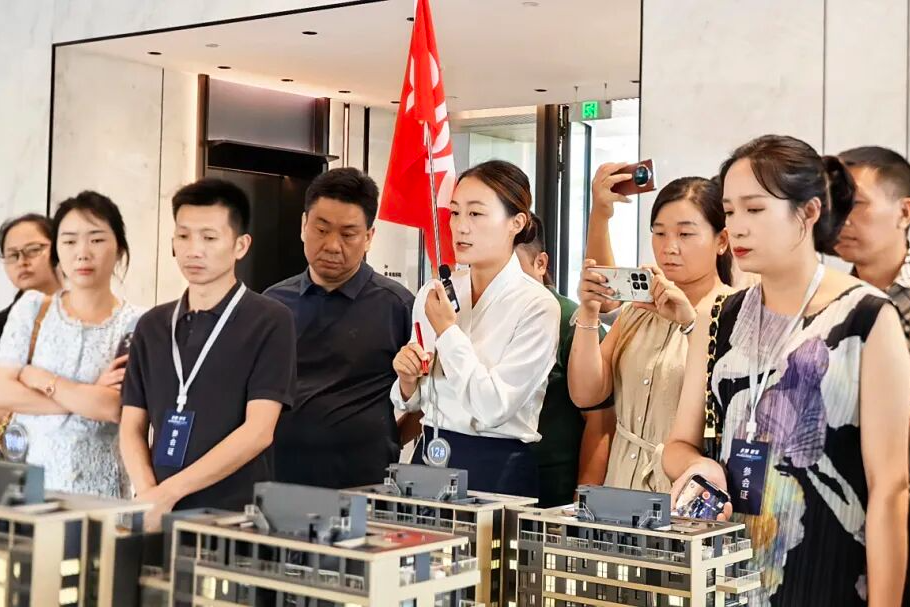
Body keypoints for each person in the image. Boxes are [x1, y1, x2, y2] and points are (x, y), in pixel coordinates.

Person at [663, 135, 909, 606]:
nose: (737, 227)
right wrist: (698, 466)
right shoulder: (719, 317)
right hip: (729, 572)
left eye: (755, 209)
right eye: (729, 211)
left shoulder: (866, 317)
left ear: (809, 211)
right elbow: (677, 445)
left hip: (830, 572)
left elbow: (891, 490)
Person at [120, 179, 296, 530]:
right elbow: (131, 425)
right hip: (156, 514)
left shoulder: (270, 320)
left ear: (240, 245)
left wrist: (168, 493)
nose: (194, 250)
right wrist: (149, 495)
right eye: (183, 236)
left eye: (209, 238)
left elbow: (259, 431)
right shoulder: (152, 325)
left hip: (233, 517)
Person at [391, 160, 560, 498]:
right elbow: (418, 399)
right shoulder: (435, 292)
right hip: (431, 451)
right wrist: (407, 379)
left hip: (496, 462)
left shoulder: (537, 305)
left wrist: (448, 332)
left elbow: (493, 407)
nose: (460, 226)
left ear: (516, 222)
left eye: (476, 213)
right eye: (455, 212)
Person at [568, 169, 732, 493]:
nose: (669, 247)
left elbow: (726, 399)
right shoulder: (638, 309)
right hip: (621, 486)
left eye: (685, 234)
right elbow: (586, 393)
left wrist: (690, 324)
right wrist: (589, 310)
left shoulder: (731, 311)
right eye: (659, 233)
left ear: (722, 241)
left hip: (683, 492)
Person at [265, 168, 414, 489]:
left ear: (369, 237)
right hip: (279, 479)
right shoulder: (272, 304)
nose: (332, 245)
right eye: (321, 230)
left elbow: (428, 402)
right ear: (303, 225)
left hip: (364, 483)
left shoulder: (398, 306)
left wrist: (387, 439)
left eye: (348, 234)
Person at [0, 192, 141, 496]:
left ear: (119, 248)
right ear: (57, 251)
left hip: (101, 488)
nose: (82, 253)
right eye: (69, 241)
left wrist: (42, 380)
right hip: (29, 487)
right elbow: (3, 391)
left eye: (96, 239)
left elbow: (113, 407)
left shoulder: (137, 323)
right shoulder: (32, 309)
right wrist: (85, 398)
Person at [515, 213, 611, 507]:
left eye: (510, 269)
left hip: (554, 494)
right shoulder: (482, 317)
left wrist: (582, 504)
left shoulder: (571, 321)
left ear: (540, 263)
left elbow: (601, 421)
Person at [834, 146, 910, 345]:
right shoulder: (831, 298)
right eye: (834, 203)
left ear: (904, 213)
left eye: (856, 203)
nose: (839, 218)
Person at [0, 214, 60, 335]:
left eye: (33, 250)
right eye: (13, 255)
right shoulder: (3, 324)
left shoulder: (90, 313)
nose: (21, 262)